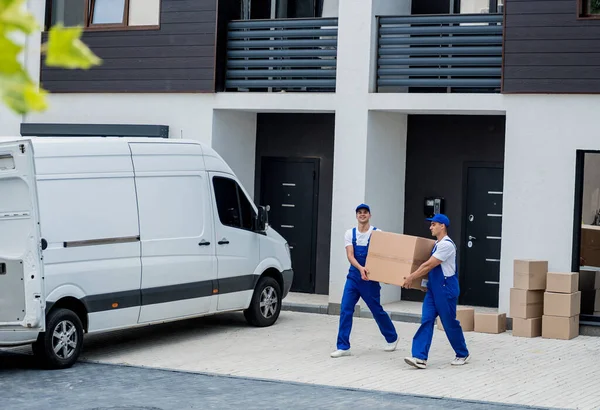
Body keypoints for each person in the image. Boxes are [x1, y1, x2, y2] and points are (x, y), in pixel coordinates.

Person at [402, 213, 470, 369]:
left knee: (449, 323)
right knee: (426, 319)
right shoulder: (436, 245)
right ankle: (420, 357)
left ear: (442, 226)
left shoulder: (446, 245)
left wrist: (411, 277)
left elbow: (429, 265)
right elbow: (431, 271)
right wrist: (426, 283)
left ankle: (462, 353)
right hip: (434, 290)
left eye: (433, 224)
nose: (430, 227)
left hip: (446, 289)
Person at [330, 204, 399, 358]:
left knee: (376, 309)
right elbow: (350, 255)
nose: (362, 215)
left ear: (369, 215)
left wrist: (384, 274)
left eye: (365, 212)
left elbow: (382, 255)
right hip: (354, 277)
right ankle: (343, 346)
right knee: (345, 309)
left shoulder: (377, 233)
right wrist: (360, 268)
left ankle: (392, 337)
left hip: (370, 279)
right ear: (356, 216)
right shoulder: (350, 233)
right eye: (359, 213)